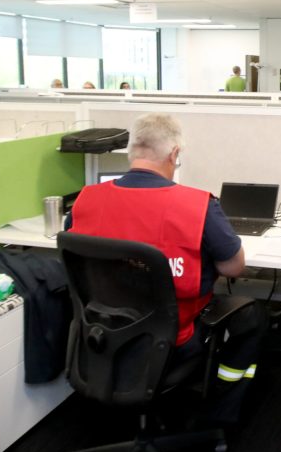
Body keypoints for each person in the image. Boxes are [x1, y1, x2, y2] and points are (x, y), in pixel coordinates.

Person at [65, 113, 267, 426]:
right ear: (174, 154)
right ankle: (219, 415)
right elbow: (234, 267)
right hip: (176, 340)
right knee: (250, 315)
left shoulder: (85, 201)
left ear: (131, 151)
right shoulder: (197, 205)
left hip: (103, 334)